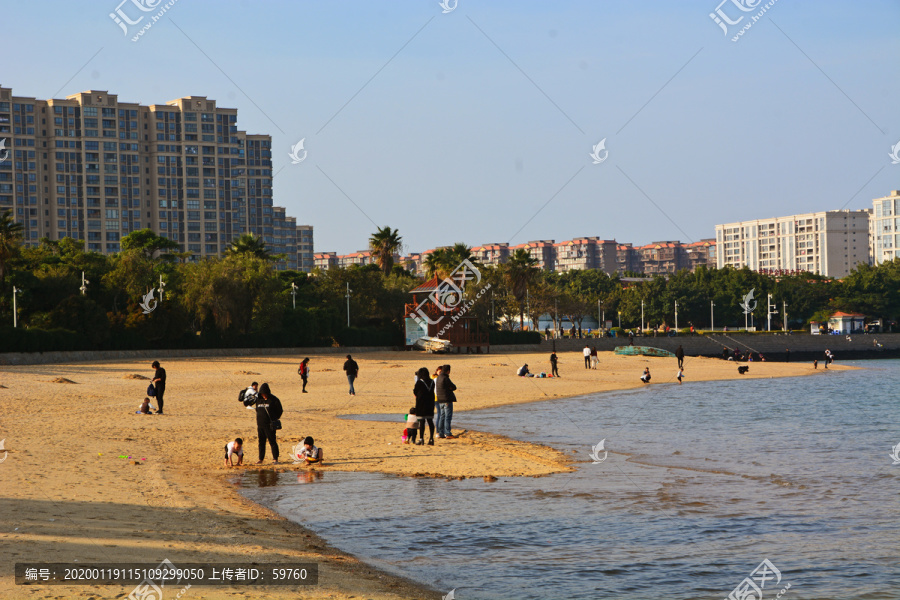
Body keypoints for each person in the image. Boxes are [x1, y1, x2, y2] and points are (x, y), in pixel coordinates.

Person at [255, 383, 283, 464]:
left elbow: (280, 411)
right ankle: (260, 459)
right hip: (260, 425)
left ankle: (275, 459)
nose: (264, 395)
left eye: (265, 394)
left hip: (270, 425)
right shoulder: (258, 400)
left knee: (272, 441)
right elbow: (257, 410)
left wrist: (274, 419)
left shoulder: (274, 399)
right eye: (262, 394)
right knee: (261, 442)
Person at [414, 367, 436, 445]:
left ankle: (421, 439)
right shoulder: (432, 382)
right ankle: (431, 439)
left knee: (422, 422)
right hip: (430, 403)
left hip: (421, 404)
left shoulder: (419, 382)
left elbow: (415, 392)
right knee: (430, 421)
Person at [435, 364, 457, 439]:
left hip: (440, 400)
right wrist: (450, 388)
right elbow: (453, 387)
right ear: (448, 371)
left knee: (442, 416)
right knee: (447, 417)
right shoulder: (445, 378)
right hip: (446, 399)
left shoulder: (438, 378)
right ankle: (448, 433)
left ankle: (441, 433)